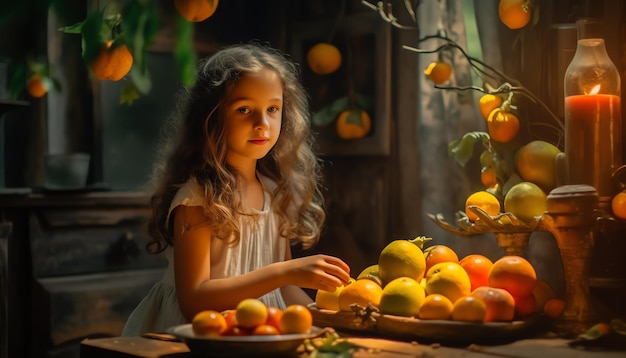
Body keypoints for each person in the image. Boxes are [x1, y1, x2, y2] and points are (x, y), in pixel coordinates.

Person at [121, 43, 351, 336]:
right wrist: (284, 272)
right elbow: (194, 301)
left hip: (254, 332)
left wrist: (329, 323)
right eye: (244, 109)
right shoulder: (199, 196)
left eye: (273, 109)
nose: (262, 124)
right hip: (196, 337)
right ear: (211, 117)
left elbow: (287, 291)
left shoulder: (274, 193)